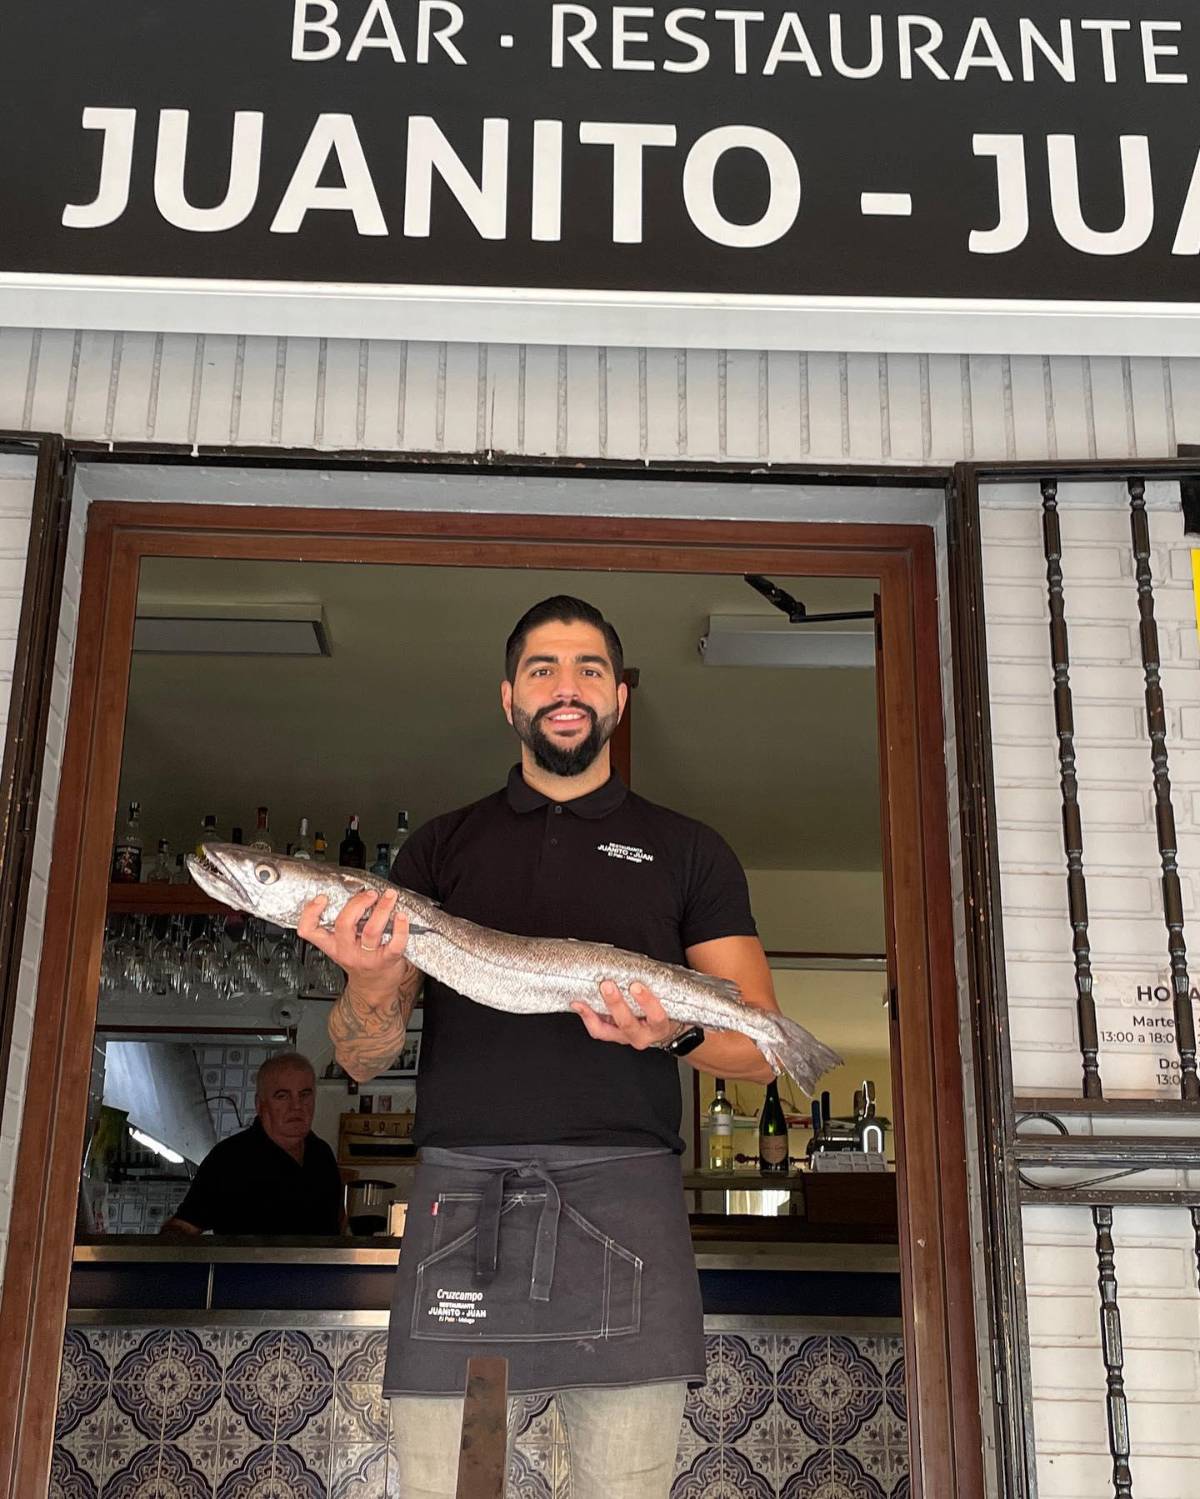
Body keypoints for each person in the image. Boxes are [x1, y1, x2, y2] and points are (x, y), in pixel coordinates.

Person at [303, 596, 783, 1499]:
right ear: (508, 699)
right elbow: (363, 1058)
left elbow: (761, 1046)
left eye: (590, 669)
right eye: (543, 670)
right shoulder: (440, 849)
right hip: (463, 1197)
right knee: (453, 1486)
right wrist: (368, 979)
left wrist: (673, 1029)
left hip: (628, 1198)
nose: (568, 688)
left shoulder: (689, 851)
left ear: (620, 698)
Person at [161, 1050, 344, 1236]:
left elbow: (335, 1230)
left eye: (304, 1095)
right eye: (282, 1096)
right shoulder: (229, 1160)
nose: (296, 1106)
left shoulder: (322, 1154)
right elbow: (183, 1227)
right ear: (260, 1104)